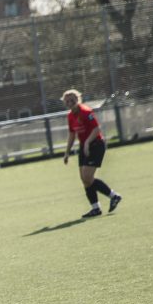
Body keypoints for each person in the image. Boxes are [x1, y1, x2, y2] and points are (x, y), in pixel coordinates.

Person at [62, 89, 122, 218]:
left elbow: (96, 129)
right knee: (85, 180)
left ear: (78, 100)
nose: (70, 103)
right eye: (67, 101)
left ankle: (114, 196)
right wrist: (67, 152)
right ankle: (95, 208)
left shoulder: (86, 112)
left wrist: (88, 142)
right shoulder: (70, 116)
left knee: (87, 177)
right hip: (84, 147)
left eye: (72, 100)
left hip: (95, 145)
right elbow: (72, 134)